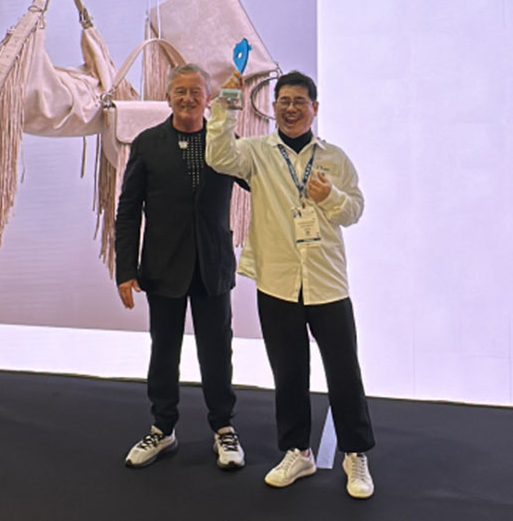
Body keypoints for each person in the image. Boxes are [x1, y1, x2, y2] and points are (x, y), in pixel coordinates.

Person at [205, 70, 375, 498]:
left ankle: (355, 454)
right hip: (278, 281)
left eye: (300, 101)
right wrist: (227, 102)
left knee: (344, 371)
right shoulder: (256, 152)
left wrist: (330, 197)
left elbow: (354, 210)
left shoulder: (334, 157)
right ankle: (298, 451)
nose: (292, 108)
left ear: (315, 108)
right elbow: (218, 157)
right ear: (273, 106)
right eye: (284, 101)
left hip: (327, 281)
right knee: (288, 371)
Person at [115, 63, 245, 471]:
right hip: (162, 266)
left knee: (217, 351)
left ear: (208, 99)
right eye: (180, 91)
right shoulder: (147, 143)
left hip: (212, 265)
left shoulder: (225, 141)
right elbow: (128, 210)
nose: (188, 98)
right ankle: (163, 428)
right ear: (168, 96)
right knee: (164, 350)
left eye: (196, 92)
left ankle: (223, 428)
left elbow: (259, 179)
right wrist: (125, 269)